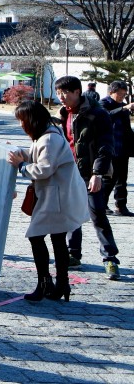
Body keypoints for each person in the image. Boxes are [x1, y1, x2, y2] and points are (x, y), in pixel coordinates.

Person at [7, 101, 89, 302]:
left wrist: (22, 165)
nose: (21, 125)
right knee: (58, 240)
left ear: (31, 120)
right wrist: (23, 155)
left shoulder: (49, 138)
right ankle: (61, 284)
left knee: (37, 237)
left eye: (22, 121)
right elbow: (39, 157)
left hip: (56, 197)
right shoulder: (48, 133)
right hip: (58, 195)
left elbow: (44, 168)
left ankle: (46, 283)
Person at [55, 76, 121, 279]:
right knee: (72, 214)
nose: (61, 97)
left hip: (92, 173)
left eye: (65, 93)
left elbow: (105, 146)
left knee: (97, 215)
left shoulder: (97, 114)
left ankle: (110, 258)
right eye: (58, 93)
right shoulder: (64, 113)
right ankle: (73, 254)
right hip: (71, 172)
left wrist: (97, 173)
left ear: (77, 92)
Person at [99, 81, 134, 216]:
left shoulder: (122, 106)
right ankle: (101, 204)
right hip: (109, 147)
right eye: (119, 94)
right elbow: (105, 116)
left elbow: (127, 129)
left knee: (122, 179)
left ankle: (121, 206)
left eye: (124, 94)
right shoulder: (103, 103)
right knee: (109, 179)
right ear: (111, 92)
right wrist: (124, 108)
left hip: (122, 147)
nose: (121, 97)